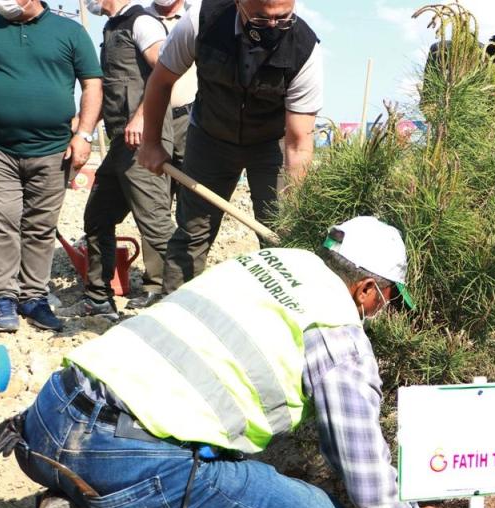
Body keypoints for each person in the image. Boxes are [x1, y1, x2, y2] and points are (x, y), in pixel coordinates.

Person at [5, 217, 463, 508]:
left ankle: (78, 503)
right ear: (366, 289)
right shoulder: (339, 334)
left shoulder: (271, 263)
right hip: (125, 458)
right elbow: (359, 464)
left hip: (48, 416)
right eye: (385, 299)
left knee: (212, 448)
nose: (379, 312)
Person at [136, 0, 322, 293]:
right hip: (210, 137)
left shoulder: (305, 49)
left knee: (281, 234)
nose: (274, 27)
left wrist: (297, 205)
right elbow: (160, 82)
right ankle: (173, 309)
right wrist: (150, 143)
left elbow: (299, 144)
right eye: (262, 19)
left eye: (283, 18)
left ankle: (282, 318)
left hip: (270, 144)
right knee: (192, 232)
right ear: (239, 4)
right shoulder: (201, 21)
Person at [0, 0, 102, 333]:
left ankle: (34, 298)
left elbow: (92, 83)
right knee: (2, 218)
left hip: (53, 150)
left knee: (40, 224)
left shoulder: (69, 32)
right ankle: (3, 296)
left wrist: (85, 134)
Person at [61, 0, 174, 320]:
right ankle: (98, 298)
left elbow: (165, 72)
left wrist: (142, 116)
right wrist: (80, 129)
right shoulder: (113, 27)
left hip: (144, 142)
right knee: (98, 216)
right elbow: (109, 92)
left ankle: (182, 301)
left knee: (156, 225)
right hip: (120, 145)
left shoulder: (142, 23)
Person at [144, 0, 198, 205]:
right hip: (153, 121)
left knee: (192, 194)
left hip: (188, 119)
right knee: (156, 196)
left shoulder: (196, 18)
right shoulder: (140, 19)